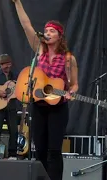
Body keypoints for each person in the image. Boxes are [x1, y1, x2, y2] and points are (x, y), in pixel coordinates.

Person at [12, 0, 79, 179]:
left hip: (58, 106)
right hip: (39, 105)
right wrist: (17, 3)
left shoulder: (68, 59)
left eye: (52, 31)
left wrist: (71, 91)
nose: (48, 33)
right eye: (46, 30)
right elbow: (26, 25)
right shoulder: (39, 50)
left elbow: (74, 84)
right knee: (39, 149)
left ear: (59, 36)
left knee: (54, 150)